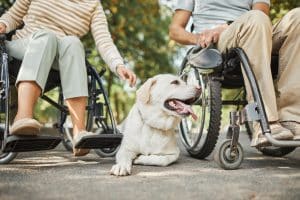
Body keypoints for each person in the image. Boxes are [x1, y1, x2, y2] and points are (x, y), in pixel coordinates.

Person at [0, 0, 136, 156]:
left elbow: (103, 40)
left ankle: (79, 133)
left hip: (58, 60)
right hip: (23, 48)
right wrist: (3, 23)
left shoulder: (93, 5)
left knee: (73, 43)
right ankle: (22, 117)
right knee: (46, 37)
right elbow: (13, 16)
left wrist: (119, 65)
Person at [169, 0, 300, 147]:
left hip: (254, 30)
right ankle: (265, 122)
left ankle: (291, 119)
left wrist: (226, 26)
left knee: (297, 18)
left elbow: (263, 14)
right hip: (217, 43)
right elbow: (175, 30)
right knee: (256, 19)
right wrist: (200, 38)